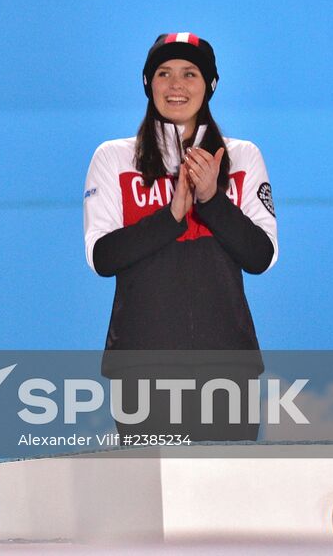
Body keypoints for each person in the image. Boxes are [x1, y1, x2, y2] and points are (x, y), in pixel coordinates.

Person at [82, 33, 278, 441]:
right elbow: (103, 256)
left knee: (228, 496)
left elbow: (261, 256)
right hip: (143, 366)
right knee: (153, 500)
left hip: (228, 367)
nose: (176, 85)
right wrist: (172, 215)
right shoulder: (114, 157)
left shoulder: (242, 157)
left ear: (210, 85)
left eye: (190, 74)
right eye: (164, 73)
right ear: (147, 84)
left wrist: (211, 200)